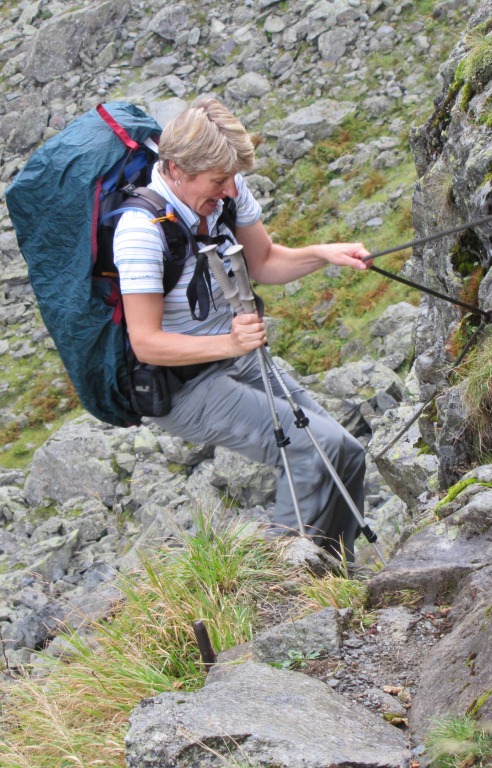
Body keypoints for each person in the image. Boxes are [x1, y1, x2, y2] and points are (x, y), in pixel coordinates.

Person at [113, 98, 370, 561]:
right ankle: (286, 582)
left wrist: (323, 254)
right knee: (311, 451)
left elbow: (265, 262)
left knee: (345, 451)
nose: (230, 189)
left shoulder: (225, 191)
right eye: (218, 181)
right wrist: (229, 342)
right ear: (175, 170)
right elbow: (146, 342)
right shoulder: (140, 230)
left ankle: (335, 576)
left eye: (233, 177)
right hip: (183, 384)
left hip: (237, 354)